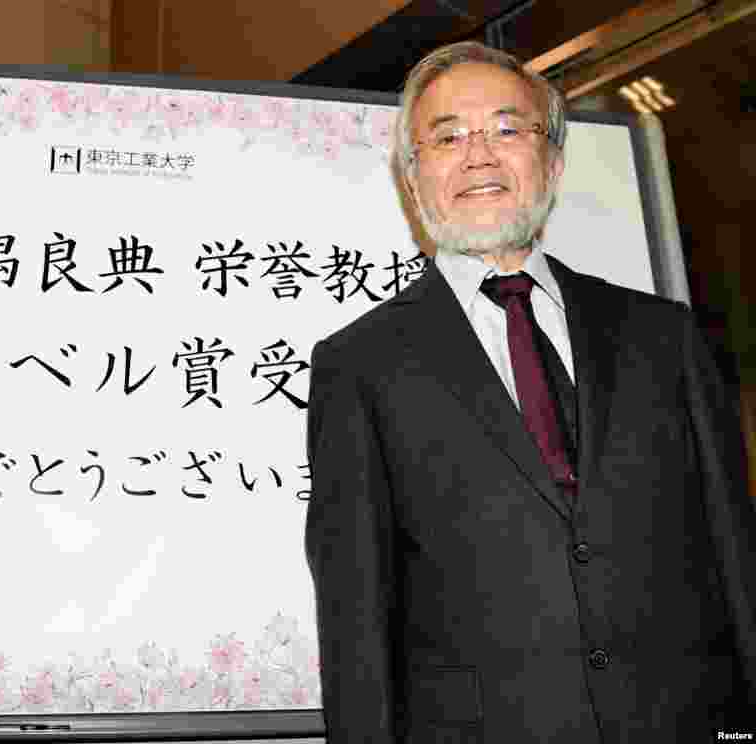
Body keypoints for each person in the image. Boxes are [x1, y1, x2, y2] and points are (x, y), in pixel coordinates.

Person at [304, 41, 755, 743]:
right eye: (448, 136)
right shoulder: (358, 366)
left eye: (508, 129)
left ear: (554, 161)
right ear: (412, 177)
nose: (479, 154)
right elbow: (355, 622)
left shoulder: (666, 337)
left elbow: (735, 552)